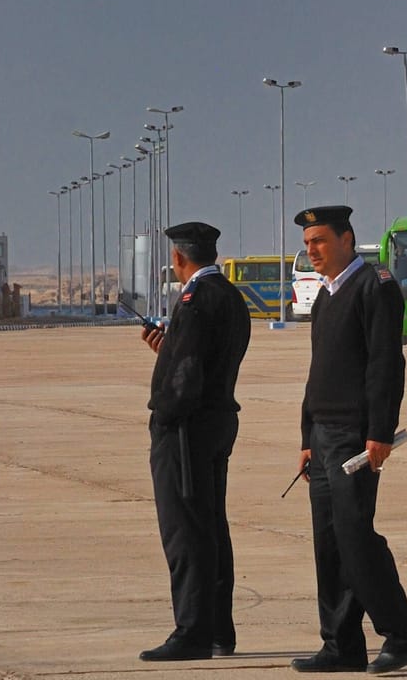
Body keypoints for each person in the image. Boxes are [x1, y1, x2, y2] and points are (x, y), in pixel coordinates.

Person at [290, 206, 407, 674]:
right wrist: (307, 433)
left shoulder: (376, 287)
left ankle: (403, 633)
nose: (312, 250)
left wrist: (379, 431)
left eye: (320, 241)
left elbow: (386, 365)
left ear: (347, 239)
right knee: (328, 543)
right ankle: (340, 645)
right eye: (308, 243)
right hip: (324, 434)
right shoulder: (326, 296)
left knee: (355, 537)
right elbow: (318, 373)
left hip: (356, 435)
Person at [139, 221, 251, 662]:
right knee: (210, 527)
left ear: (179, 258)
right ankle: (219, 630)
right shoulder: (229, 295)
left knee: (185, 530)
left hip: (188, 429)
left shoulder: (194, 297)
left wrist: (163, 416)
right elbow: (202, 357)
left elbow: (186, 378)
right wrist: (165, 349)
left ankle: (193, 632)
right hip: (218, 419)